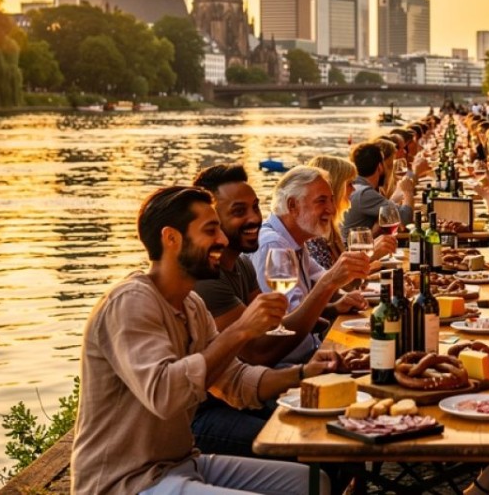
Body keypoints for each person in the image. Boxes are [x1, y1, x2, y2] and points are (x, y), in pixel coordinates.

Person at [71, 186, 323, 495]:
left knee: (312, 483)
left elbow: (236, 382)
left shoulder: (192, 305)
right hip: (126, 482)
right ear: (171, 238)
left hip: (181, 463)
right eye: (210, 230)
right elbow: (164, 394)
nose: (223, 240)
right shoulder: (129, 302)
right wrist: (241, 330)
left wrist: (306, 374)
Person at [188, 165, 345, 457]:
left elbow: (273, 328)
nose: (254, 218)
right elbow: (259, 352)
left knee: (338, 418)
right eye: (239, 211)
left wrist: (309, 365)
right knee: (319, 437)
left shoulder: (241, 264)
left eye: (255, 207)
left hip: (246, 389)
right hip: (206, 414)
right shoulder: (208, 280)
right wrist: (327, 286)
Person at [249, 166, 372, 364]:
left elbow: (322, 282)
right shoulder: (273, 244)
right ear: (292, 205)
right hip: (291, 365)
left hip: (311, 352)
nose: (331, 209)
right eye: (321, 201)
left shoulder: (296, 239)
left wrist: (336, 305)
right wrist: (332, 282)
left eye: (331, 199)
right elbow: (291, 320)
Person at [341, 142, 413, 236]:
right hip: (356, 245)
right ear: (380, 167)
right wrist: (408, 192)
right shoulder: (364, 193)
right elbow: (405, 219)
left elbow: (387, 211)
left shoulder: (357, 187)